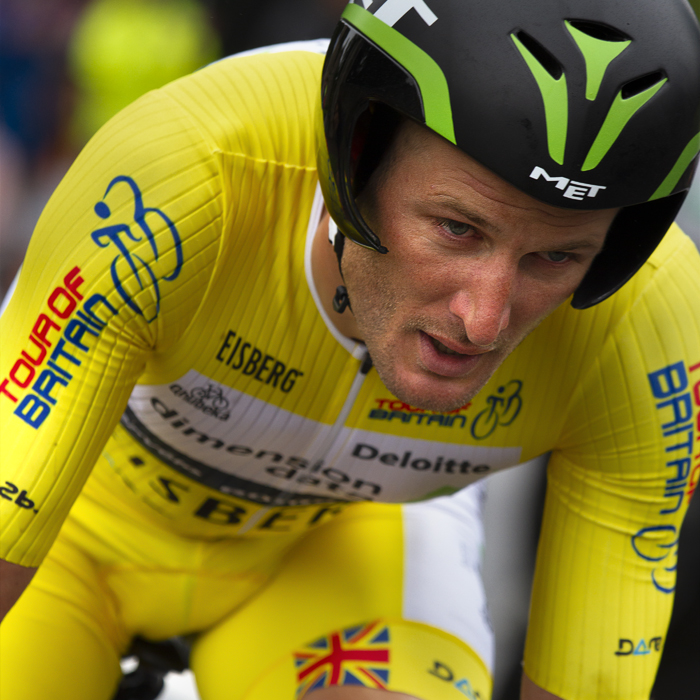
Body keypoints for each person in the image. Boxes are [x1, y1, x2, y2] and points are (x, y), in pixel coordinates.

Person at [1, 1, 699, 698]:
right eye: (457, 229)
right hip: (73, 529)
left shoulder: (647, 319)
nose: (482, 321)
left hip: (349, 551)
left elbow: (594, 678)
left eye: (554, 257)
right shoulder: (190, 173)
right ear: (354, 155)